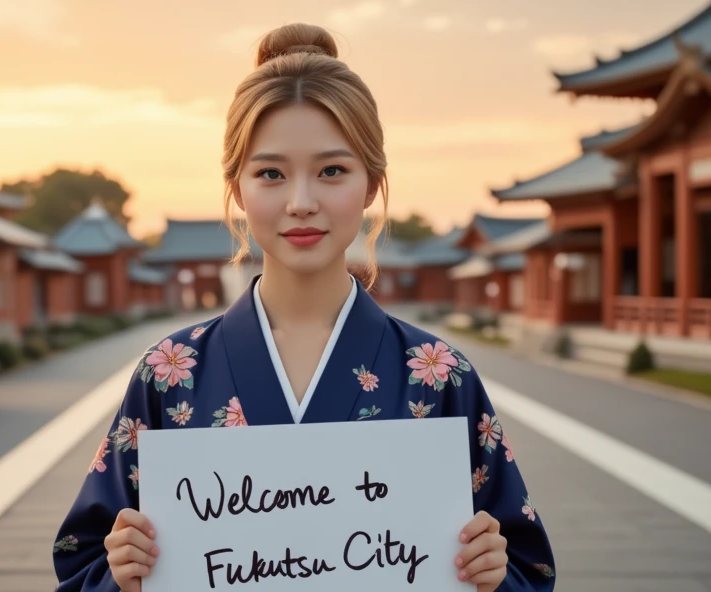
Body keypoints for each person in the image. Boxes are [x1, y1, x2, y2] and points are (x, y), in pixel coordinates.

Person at [52, 22, 555, 592]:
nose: (301, 202)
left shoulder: (439, 373)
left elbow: (529, 568)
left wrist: (491, 574)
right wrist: (122, 572)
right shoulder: (169, 373)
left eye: (332, 171)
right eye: (271, 173)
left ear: (371, 184)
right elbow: (81, 560)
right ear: (238, 188)